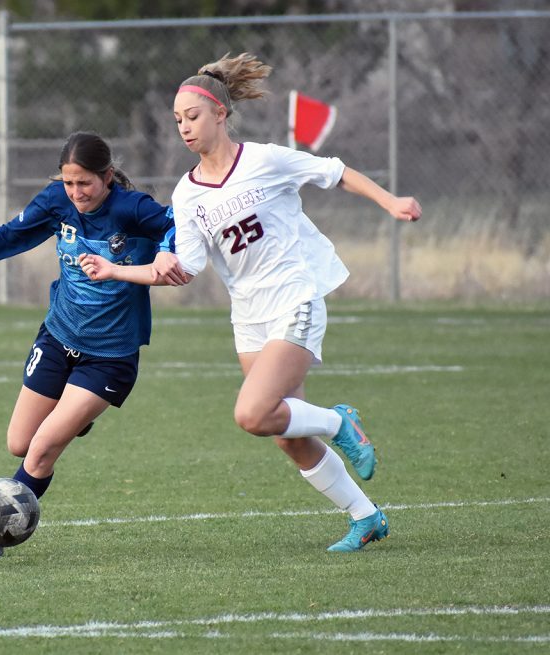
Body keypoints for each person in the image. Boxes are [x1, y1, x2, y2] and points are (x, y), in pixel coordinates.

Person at [79, 53, 421, 552]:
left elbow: (335, 172)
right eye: (177, 120)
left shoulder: (264, 160)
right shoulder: (187, 193)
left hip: (294, 296)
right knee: (286, 433)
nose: (184, 127)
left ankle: (339, 421)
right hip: (249, 316)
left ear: (220, 113)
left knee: (253, 414)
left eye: (192, 116)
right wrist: (117, 270)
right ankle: (365, 517)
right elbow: (184, 269)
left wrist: (390, 201)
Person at [0, 131, 183, 559]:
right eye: (69, 182)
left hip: (109, 358)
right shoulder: (56, 201)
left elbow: (178, 223)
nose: (76, 193)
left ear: (107, 176)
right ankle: (74, 419)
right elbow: (8, 236)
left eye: (85, 183)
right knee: (20, 443)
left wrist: (167, 251)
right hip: (58, 337)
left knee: (40, 452)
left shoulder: (131, 209)